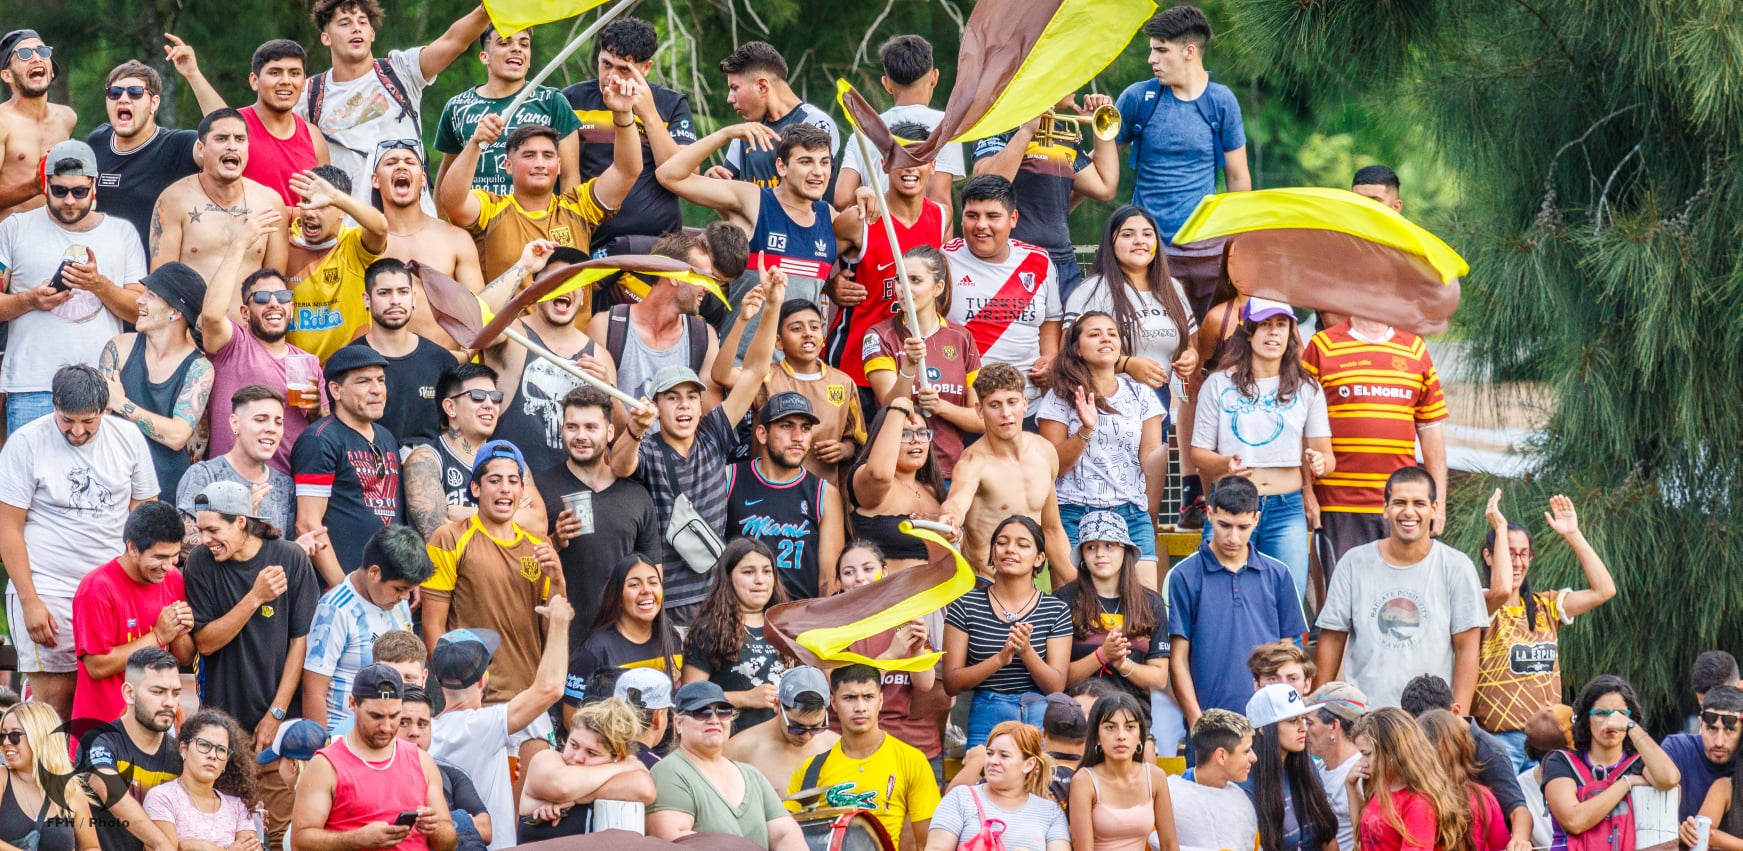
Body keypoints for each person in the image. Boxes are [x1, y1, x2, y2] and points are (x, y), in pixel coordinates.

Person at [609, 267, 784, 624]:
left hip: (716, 597)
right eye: (672, 398)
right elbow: (619, 466)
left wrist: (772, 307)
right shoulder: (649, 447)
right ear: (656, 405)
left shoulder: (712, 433)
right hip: (666, 602)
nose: (684, 405)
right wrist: (635, 429)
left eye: (691, 396)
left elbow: (754, 371)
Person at [0, 365, 157, 720]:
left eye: (88, 421)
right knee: (56, 703)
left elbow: (144, 516)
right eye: (67, 420)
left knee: (115, 700)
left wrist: (134, 590)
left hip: (109, 591)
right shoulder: (27, 442)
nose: (77, 430)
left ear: (104, 410)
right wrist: (29, 601)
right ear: (54, 406)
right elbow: (7, 528)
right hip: (49, 587)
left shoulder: (128, 438)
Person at [185, 480, 320, 838]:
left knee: (277, 832)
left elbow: (300, 642)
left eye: (213, 530)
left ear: (241, 522)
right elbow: (205, 643)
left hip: (278, 725)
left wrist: (276, 713)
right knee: (226, 836)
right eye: (201, 530)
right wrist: (255, 597)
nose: (204, 539)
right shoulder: (201, 562)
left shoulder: (290, 558)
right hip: (222, 726)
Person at [657, 123, 859, 357]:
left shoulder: (829, 218)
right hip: (741, 367)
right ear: (781, 166)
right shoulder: (753, 200)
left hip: (796, 370)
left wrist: (830, 286)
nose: (818, 172)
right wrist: (726, 133)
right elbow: (668, 175)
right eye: (806, 162)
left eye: (824, 162)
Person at [0, 139, 149, 432]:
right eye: (60, 191)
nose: (69, 200)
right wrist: (29, 300)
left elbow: (140, 312)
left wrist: (99, 285)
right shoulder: (13, 228)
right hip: (32, 384)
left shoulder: (122, 233)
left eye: (79, 192)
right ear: (45, 185)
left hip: (100, 385)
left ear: (94, 186)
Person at [1190, 297, 1332, 601]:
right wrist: (1225, 464)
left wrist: (1320, 462)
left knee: (1287, 601)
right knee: (1220, 599)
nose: (1273, 332)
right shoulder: (1218, 384)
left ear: (1291, 332)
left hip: (1286, 509)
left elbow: (1326, 455)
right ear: (1248, 332)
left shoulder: (1307, 387)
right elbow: (1198, 454)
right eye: (1265, 324)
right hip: (1230, 504)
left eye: (1281, 325)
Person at [1114, 5, 1251, 315]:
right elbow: (1101, 166)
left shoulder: (1221, 102)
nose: (1151, 59)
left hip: (1208, 253)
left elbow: (1238, 178)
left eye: (1161, 50)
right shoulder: (1138, 98)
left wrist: (1239, 248)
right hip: (1148, 253)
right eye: (1152, 50)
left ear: (1189, 51)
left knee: (1211, 337)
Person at [1064, 206, 1199, 518]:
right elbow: (1067, 353)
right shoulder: (1092, 291)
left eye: (1147, 234)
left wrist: (1190, 357)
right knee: (1117, 503)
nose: (1139, 241)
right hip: (1108, 410)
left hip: (1161, 407)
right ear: (1110, 243)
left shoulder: (1172, 288)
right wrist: (1126, 364)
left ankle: (1151, 548)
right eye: (1127, 234)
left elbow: (1191, 345)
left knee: (1151, 510)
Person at [1316, 466, 1488, 709]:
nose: (1408, 511)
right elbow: (1332, 639)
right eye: (1399, 502)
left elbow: (1467, 649)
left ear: (1434, 509)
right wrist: (1318, 708)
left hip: (1431, 718)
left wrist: (1457, 719)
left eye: (1419, 503)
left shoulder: (1457, 566)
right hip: (1366, 717)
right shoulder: (1354, 563)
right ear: (1385, 508)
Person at [297, 0, 492, 207]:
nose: (356, 28)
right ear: (326, 38)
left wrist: (489, 9)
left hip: (415, 222)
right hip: (350, 224)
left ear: (372, 34)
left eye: (362, 22)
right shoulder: (308, 95)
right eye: (345, 23)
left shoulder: (401, 71)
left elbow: (454, 41)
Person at [1475, 490, 1616, 770]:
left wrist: (1573, 534)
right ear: (1488, 556)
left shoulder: (1546, 605)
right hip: (1498, 742)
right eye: (1509, 552)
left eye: (1523, 554)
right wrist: (1499, 529)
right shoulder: (1480, 603)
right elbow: (1500, 590)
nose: (1517, 562)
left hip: (1549, 740)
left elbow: (1604, 590)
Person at [1302, 308, 1448, 569]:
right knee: (1344, 591)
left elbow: (1430, 431)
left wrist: (1439, 503)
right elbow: (1300, 428)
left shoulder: (1414, 348)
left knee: (1400, 592)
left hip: (1402, 505)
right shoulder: (1322, 346)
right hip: (1338, 504)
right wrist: (1307, 492)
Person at [421, 440, 563, 705]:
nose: (505, 488)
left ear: (522, 490)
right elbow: (433, 625)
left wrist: (558, 582)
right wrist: (454, 692)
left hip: (528, 700)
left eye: (513, 481)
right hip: (475, 700)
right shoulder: (449, 538)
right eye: (495, 480)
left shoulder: (539, 545)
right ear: (475, 488)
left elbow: (552, 627)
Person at [430, 596, 572, 850]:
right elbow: (551, 688)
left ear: (437, 680)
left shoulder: (424, 730)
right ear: (483, 680)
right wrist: (560, 622)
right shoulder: (480, 726)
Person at [440, 104, 638, 281]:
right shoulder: (490, 209)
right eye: (529, 155)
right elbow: (452, 201)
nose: (540, 164)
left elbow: (627, 171)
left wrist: (623, 113)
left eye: (548, 155)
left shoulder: (580, 206)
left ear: (558, 166)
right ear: (508, 166)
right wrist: (476, 143)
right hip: (505, 314)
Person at [1167, 475, 1308, 723]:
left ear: (1256, 519)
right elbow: (1178, 659)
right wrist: (1197, 722)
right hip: (1210, 726)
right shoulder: (1183, 575)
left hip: (1268, 724)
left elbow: (1288, 654)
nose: (1233, 537)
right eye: (1225, 525)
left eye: (1243, 527)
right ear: (1209, 514)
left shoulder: (1278, 574)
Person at [830, 124, 953, 407]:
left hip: (912, 366)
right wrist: (829, 286)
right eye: (900, 158)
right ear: (884, 164)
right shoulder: (859, 220)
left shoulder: (941, 217)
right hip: (855, 364)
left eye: (919, 158)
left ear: (933, 165)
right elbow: (814, 261)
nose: (910, 167)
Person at [1039, 311, 1165, 582]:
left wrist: (1171, 450)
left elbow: (1150, 461)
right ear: (1077, 348)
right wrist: (1085, 430)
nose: (1105, 339)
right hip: (1073, 511)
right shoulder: (1059, 396)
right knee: (1075, 602)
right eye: (1094, 334)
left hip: (1130, 512)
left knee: (1145, 601)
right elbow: (1052, 466)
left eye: (1112, 334)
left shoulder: (1141, 394)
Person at [197, 213, 323, 474]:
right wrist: (240, 245)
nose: (274, 303)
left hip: (289, 484)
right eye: (263, 298)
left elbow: (323, 433)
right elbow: (210, 316)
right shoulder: (233, 345)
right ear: (245, 313)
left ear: (291, 308)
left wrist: (316, 411)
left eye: (283, 296)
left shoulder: (309, 362)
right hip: (232, 482)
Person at [479, 244, 620, 467]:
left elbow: (619, 440)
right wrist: (523, 267)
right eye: (554, 280)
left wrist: (610, 393)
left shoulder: (600, 357)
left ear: (583, 296)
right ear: (536, 290)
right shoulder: (513, 335)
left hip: (574, 485)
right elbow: (474, 319)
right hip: (514, 482)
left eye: (572, 282)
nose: (564, 287)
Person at [534, 386, 659, 636]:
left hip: (623, 642)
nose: (580, 436)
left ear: (610, 432)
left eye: (591, 427)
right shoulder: (540, 488)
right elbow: (520, 565)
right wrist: (555, 541)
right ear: (561, 430)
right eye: (572, 427)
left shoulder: (637, 495)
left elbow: (654, 576)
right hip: (563, 640)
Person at [290, 664, 458, 851]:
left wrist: (434, 828)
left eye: (394, 716)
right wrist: (356, 839)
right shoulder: (325, 766)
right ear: (353, 703)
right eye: (376, 716)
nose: (386, 727)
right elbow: (300, 842)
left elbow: (449, 843)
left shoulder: (422, 761)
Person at [562, 17, 696, 249]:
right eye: (606, 64)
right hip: (594, 240)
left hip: (660, 243)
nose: (612, 77)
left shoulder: (671, 103)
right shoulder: (572, 100)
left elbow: (687, 173)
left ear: (646, 68)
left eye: (624, 69)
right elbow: (567, 177)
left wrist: (650, 116)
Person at [971, 90, 1119, 299]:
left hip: (1062, 262)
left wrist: (1100, 126)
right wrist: (1026, 132)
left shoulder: (1061, 131)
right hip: (1012, 259)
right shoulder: (1000, 124)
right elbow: (985, 186)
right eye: (1068, 79)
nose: (1076, 87)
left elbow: (1104, 186)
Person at [938, 363, 1076, 583]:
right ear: (979, 410)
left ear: (1025, 403)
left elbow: (1052, 529)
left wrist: (1080, 588)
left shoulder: (1044, 451)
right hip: (985, 585)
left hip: (1027, 587)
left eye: (1012, 402)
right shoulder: (973, 462)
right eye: (995, 405)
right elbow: (956, 503)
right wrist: (950, 517)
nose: (1006, 413)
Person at [943, 515, 1072, 748]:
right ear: (993, 553)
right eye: (1002, 543)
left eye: (1022, 545)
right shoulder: (965, 605)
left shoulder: (1056, 609)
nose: (1010, 549)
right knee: (985, 770)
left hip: (1039, 713)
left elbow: (1056, 686)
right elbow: (951, 682)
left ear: (1039, 559)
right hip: (986, 712)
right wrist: (1000, 659)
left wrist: (1026, 651)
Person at [943, 174, 1063, 417]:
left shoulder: (1038, 261)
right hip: (965, 407)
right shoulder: (945, 258)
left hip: (1027, 405)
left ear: (1013, 218)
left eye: (992, 216)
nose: (981, 225)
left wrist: (1050, 358)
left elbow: (1051, 318)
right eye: (972, 215)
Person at [859, 244, 982, 478]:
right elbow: (889, 406)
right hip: (899, 473)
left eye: (915, 280)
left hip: (951, 473)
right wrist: (909, 366)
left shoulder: (961, 338)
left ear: (938, 287)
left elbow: (981, 419)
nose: (903, 288)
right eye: (899, 279)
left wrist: (941, 407)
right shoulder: (879, 335)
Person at [715, 298, 867, 484]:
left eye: (814, 327)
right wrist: (742, 321)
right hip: (767, 490)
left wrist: (844, 450)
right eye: (796, 328)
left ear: (822, 337)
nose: (807, 333)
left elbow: (857, 441)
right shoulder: (765, 376)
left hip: (822, 493)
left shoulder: (843, 382)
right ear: (778, 341)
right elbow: (721, 375)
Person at [786, 664, 940, 847]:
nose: (860, 707)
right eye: (849, 698)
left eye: (868, 697)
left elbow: (929, 844)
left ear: (880, 700)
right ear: (833, 702)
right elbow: (787, 840)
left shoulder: (912, 760)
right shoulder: (810, 769)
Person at [72, 502, 196, 725]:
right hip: (105, 729)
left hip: (154, 727)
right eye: (159, 557)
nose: (168, 566)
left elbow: (184, 657)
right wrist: (157, 636)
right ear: (132, 548)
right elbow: (96, 666)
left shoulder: (173, 579)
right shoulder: (97, 589)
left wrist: (180, 630)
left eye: (174, 556)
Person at [98, 261, 212, 499]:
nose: (139, 300)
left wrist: (121, 403)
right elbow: (100, 417)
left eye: (150, 295)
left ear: (175, 312)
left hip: (166, 492)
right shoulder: (119, 348)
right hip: (115, 487)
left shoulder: (199, 368)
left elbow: (177, 436)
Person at [646, 681, 809, 849]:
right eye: (702, 712)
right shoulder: (669, 771)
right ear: (679, 723)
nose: (714, 720)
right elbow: (671, 838)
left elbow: (785, 833)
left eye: (723, 712)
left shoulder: (752, 774)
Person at [292, 345, 405, 583]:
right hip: (341, 586)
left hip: (387, 585)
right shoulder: (319, 440)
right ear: (336, 390)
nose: (377, 390)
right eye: (363, 381)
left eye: (381, 380)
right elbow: (308, 524)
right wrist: (343, 590)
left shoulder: (386, 437)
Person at [304, 526, 429, 731]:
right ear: (374, 573)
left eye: (409, 589)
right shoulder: (336, 610)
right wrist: (322, 745)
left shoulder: (398, 602)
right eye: (399, 589)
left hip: (390, 733)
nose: (405, 597)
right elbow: (313, 691)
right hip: (344, 735)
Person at [402, 364, 549, 539]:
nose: (489, 405)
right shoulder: (425, 460)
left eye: (495, 397)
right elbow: (440, 538)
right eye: (477, 396)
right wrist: (511, 517)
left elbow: (539, 525)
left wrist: (465, 514)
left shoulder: (512, 462)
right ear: (450, 407)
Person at [724, 392, 845, 599]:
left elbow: (828, 579)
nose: (798, 437)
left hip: (799, 613)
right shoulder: (729, 478)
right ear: (762, 434)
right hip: (739, 611)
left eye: (805, 428)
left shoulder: (824, 495)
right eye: (786, 426)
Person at [433, 27, 581, 197]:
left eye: (524, 45)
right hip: (475, 212)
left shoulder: (552, 101)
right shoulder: (457, 106)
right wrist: (438, 215)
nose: (517, 49)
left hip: (537, 213)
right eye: (504, 43)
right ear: (485, 57)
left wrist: (567, 215)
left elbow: (570, 176)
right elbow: (447, 175)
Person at [149, 109, 290, 282]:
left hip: (247, 301)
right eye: (221, 138)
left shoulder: (270, 203)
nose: (232, 146)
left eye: (240, 139)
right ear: (201, 149)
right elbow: (161, 283)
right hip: (195, 301)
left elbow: (274, 285)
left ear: (248, 147)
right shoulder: (173, 200)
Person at [1541, 676, 1679, 851]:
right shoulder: (1562, 762)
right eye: (1601, 713)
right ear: (1586, 718)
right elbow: (1574, 821)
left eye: (1620, 714)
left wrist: (1632, 728)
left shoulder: (1639, 762)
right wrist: (1627, 783)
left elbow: (1669, 779)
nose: (1611, 722)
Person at [88, 56, 212, 250]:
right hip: (101, 265)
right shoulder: (97, 140)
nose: (123, 99)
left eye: (135, 93)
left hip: (154, 268)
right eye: (114, 92)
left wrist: (193, 75)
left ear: (154, 103)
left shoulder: (177, 145)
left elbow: (226, 136)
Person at [1398, 675, 1533, 851]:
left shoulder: (1489, 751)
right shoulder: (1415, 744)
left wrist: (1519, 840)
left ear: (1455, 711)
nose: (1429, 735)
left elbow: (1517, 809)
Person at [586, 231, 720, 406]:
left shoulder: (703, 337)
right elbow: (596, 412)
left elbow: (709, 417)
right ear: (675, 276)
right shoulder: (606, 326)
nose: (708, 288)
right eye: (701, 277)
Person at [372, 142, 484, 352]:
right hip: (382, 366)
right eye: (391, 162)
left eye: (410, 162)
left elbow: (480, 313)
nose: (401, 166)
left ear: (423, 178)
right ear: (375, 180)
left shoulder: (456, 239)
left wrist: (465, 357)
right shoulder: (360, 243)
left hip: (447, 364)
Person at [833, 35, 961, 215]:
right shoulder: (945, 127)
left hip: (875, 229)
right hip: (922, 232)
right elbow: (940, 201)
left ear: (887, 84)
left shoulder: (863, 131)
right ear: (934, 77)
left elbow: (840, 200)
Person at [344, 258, 462, 446]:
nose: (395, 301)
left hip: (429, 461)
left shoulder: (442, 361)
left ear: (413, 298)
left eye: (403, 292)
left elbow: (457, 430)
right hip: (367, 460)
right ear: (367, 300)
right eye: (384, 293)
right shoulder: (348, 362)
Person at [1057, 511, 1169, 703]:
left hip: (1132, 714)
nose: (1100, 554)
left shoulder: (1151, 603)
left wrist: (1124, 665)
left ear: (1125, 551)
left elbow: (1159, 678)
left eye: (1109, 545)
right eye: (1091, 547)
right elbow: (1056, 680)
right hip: (1077, 713)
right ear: (1082, 554)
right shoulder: (1063, 601)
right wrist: (1102, 655)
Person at [681, 539, 791, 733]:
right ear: (728, 577)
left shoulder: (787, 624)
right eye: (748, 572)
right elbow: (690, 697)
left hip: (782, 741)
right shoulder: (709, 629)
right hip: (728, 741)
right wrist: (745, 698)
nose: (760, 580)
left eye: (767, 571)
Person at [281, 167, 389, 362]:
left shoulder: (353, 244)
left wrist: (335, 196)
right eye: (306, 202)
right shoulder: (282, 242)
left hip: (349, 369)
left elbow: (380, 228)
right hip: (295, 369)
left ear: (342, 210)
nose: (310, 212)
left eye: (322, 205)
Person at [82, 648, 185, 851]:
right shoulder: (99, 740)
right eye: (158, 692)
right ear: (129, 693)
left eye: (175, 693)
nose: (170, 703)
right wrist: (162, 844)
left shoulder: (181, 754)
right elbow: (112, 793)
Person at [564, 555, 683, 725]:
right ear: (617, 596)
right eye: (634, 585)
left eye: (653, 582)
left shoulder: (672, 640)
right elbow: (571, 720)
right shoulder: (593, 651)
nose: (646, 590)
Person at [516, 698, 656, 841]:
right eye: (573, 745)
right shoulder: (546, 759)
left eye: (591, 753)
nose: (577, 757)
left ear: (617, 757)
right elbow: (563, 786)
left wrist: (579, 797)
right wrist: (621, 766)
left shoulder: (614, 775)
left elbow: (645, 790)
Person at [926, 721, 1070, 851]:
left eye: (1004, 755)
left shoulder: (1051, 813)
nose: (993, 761)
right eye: (989, 753)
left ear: (1029, 764)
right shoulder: (960, 798)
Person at [178, 386, 298, 541]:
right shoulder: (203, 475)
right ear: (235, 423)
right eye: (260, 420)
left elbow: (286, 546)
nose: (272, 429)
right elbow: (185, 542)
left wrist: (299, 550)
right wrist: (242, 517)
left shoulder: (286, 486)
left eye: (278, 422)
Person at [713, 41, 839, 189]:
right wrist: (712, 179)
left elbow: (816, 196)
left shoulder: (815, 122)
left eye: (735, 88)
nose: (730, 99)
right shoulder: (744, 134)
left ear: (762, 86)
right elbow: (726, 194)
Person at [1346, 707, 1472, 851]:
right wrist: (1351, 786)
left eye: (1367, 754)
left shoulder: (1419, 804)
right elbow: (1364, 835)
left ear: (1391, 751)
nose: (1362, 762)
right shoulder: (1384, 782)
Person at [1068, 692, 1177, 851]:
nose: (1121, 736)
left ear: (1140, 736)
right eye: (1110, 727)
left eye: (1130, 727)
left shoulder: (1156, 777)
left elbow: (1170, 845)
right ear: (1096, 737)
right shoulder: (1084, 781)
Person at [845, 403, 946, 572]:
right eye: (904, 434)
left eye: (922, 433)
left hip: (935, 588)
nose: (916, 440)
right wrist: (898, 409)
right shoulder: (867, 477)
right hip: (882, 589)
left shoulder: (933, 490)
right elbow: (879, 475)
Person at [143, 710, 259, 851]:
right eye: (204, 745)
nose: (213, 755)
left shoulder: (237, 806)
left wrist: (194, 846)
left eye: (221, 750)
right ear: (183, 749)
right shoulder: (162, 798)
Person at [394, 688, 493, 851]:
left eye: (422, 724)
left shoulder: (451, 775)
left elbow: (486, 828)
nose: (414, 733)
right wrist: (458, 821)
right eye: (403, 723)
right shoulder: (375, 774)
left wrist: (441, 824)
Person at [1245, 684, 1338, 851]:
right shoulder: (1246, 781)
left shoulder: (1305, 764)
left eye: (1303, 718)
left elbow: (1327, 836)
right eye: (1292, 721)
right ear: (1263, 729)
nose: (1303, 728)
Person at [240, 40, 331, 206]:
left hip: (303, 224)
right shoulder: (235, 127)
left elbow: (326, 204)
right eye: (275, 73)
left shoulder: (313, 137)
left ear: (303, 82)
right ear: (254, 81)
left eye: (294, 73)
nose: (286, 81)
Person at [722, 666, 839, 794]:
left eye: (815, 728)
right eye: (796, 727)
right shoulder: (741, 749)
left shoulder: (836, 746)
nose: (806, 736)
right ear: (777, 705)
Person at [0, 702, 99, 851]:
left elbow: (91, 847)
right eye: (2, 736)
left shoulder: (71, 791)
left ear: (40, 736)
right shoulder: (2, 778)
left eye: (15, 735)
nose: (6, 742)